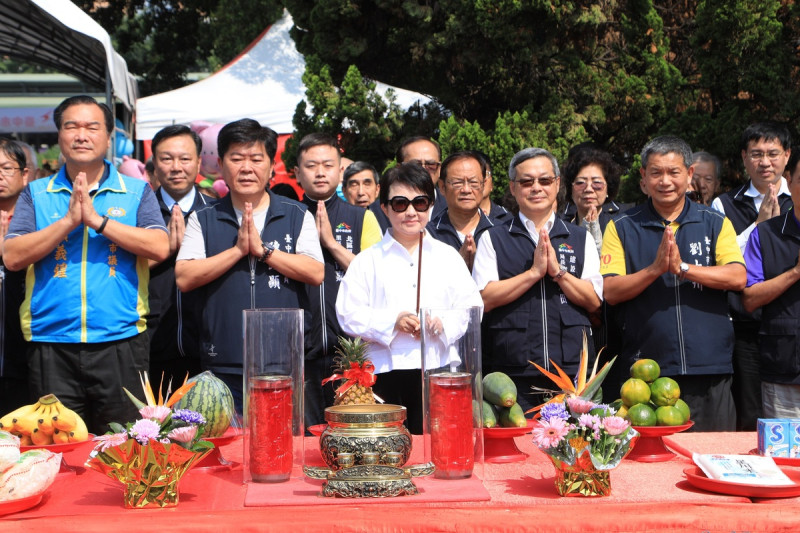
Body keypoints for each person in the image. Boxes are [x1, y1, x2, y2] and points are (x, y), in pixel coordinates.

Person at [4, 95, 170, 433]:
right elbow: (12, 256)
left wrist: (98, 221)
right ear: (60, 136)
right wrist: (67, 222)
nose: (82, 135)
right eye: (72, 126)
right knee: (57, 448)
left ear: (109, 137)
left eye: (92, 127)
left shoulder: (136, 191)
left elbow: (159, 246)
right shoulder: (35, 193)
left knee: (125, 444)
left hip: (121, 340)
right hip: (51, 342)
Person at [174, 119, 324, 410]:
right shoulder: (204, 218)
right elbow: (184, 276)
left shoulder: (296, 214)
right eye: (236, 158)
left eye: (256, 159)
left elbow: (315, 272)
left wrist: (264, 252)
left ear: (270, 167)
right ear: (220, 164)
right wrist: (238, 251)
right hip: (223, 363)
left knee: (281, 448)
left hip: (283, 362)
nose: (246, 168)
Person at [601, 136, 746, 432]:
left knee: (711, 454)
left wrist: (683, 268)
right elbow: (611, 291)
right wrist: (655, 270)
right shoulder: (622, 226)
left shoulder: (715, 222)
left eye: (674, 172)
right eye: (656, 173)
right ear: (643, 177)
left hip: (710, 366)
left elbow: (737, 277)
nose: (665, 181)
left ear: (689, 175)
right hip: (647, 373)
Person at [336, 162, 482, 433]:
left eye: (420, 202)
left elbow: (472, 306)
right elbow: (347, 313)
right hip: (383, 373)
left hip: (437, 368)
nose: (411, 212)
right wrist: (393, 321)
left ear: (430, 204)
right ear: (385, 208)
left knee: (435, 450)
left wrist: (442, 321)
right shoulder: (367, 260)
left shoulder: (448, 256)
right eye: (400, 204)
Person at [472, 148, 602, 412]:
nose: (536, 188)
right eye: (526, 181)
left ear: (557, 184)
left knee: (570, 449)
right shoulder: (493, 238)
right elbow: (484, 299)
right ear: (512, 187)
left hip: (570, 374)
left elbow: (593, 300)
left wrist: (558, 272)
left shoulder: (578, 237)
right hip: (512, 372)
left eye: (544, 180)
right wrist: (533, 273)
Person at [293, 133, 382, 426]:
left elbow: (376, 275)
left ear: (340, 170)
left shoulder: (360, 217)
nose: (320, 172)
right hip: (300, 350)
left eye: (328, 165)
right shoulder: (287, 215)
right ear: (296, 172)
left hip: (349, 353)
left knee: (350, 429)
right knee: (304, 434)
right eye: (311, 165)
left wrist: (331, 244)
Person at [711, 122, 793, 431]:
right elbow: (723, 260)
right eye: (756, 154)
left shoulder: (795, 200)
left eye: (773, 153)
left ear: (787, 155)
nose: (765, 162)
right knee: (750, 412)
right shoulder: (725, 204)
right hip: (747, 326)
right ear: (744, 158)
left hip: (789, 321)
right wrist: (759, 226)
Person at [147, 125, 212, 385]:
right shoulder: (139, 214)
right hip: (149, 343)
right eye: (166, 158)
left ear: (198, 163)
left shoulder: (217, 214)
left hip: (206, 345)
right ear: (153, 163)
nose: (176, 167)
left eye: (185, 159)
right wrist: (163, 250)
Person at [742, 163, 800, 418]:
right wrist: (795, 272)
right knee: (783, 456)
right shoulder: (766, 234)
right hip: (784, 368)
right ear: (789, 180)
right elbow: (750, 298)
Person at [0, 139, 31, 414]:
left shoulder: (36, 218)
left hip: (26, 355)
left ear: (24, 174)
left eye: (6, 168)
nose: (0, 175)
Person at [427, 151, 497, 270]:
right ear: (442, 187)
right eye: (458, 182)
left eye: (473, 182)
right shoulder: (427, 235)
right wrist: (458, 266)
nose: (466, 189)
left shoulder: (499, 232)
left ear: (483, 186)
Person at [560, 146, 628, 255]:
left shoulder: (623, 222)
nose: (588, 189)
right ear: (570, 188)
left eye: (597, 183)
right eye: (580, 183)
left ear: (608, 188)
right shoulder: (561, 224)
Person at [369, 136, 446, 232]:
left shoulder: (450, 208)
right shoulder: (376, 212)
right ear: (399, 167)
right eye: (415, 165)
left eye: (431, 165)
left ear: (439, 169)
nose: (423, 169)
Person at [475, 151, 512, 225]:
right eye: (474, 175)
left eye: (485, 174)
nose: (481, 179)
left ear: (492, 184)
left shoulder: (509, 219)